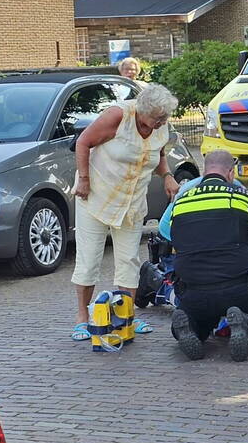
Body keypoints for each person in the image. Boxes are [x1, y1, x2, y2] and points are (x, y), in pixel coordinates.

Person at [70, 83, 180, 340]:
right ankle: (82, 317)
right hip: (97, 197)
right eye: (157, 118)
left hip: (132, 203)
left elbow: (159, 153)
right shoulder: (118, 116)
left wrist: (167, 175)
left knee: (129, 260)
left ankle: (126, 315)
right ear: (142, 110)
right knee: (89, 259)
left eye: (164, 118)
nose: (161, 123)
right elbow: (83, 142)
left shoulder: (160, 126)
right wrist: (84, 179)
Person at [168, 150, 248, 362]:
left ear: (204, 172)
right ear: (231, 173)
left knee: (197, 323)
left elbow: (178, 246)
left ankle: (189, 326)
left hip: (194, 290)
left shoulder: (180, 203)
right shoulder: (246, 199)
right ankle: (247, 322)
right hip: (238, 288)